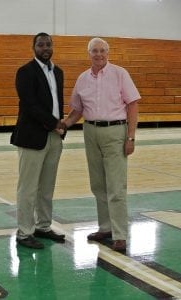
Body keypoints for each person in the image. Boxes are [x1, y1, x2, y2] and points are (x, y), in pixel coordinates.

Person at [63, 37, 141, 251]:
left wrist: (131, 137)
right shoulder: (82, 79)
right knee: (98, 184)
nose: (98, 54)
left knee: (116, 186)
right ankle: (105, 228)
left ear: (108, 53)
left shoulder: (120, 74)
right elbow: (77, 109)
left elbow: (133, 105)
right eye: (94, 51)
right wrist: (65, 124)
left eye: (102, 51)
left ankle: (120, 234)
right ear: (88, 54)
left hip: (115, 131)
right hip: (90, 131)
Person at [10, 32, 66, 249]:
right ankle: (24, 233)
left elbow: (57, 104)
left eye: (48, 44)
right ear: (34, 47)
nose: (45, 48)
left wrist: (59, 128)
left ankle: (43, 227)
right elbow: (30, 105)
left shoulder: (58, 72)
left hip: (53, 138)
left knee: (46, 187)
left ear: (52, 46)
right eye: (41, 45)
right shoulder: (25, 72)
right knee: (28, 188)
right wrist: (54, 123)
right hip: (32, 138)